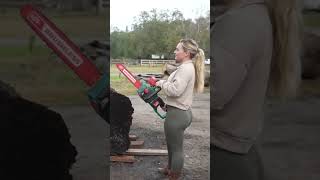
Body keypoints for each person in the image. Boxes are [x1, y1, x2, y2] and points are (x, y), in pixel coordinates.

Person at [211, 0, 302, 179]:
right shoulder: (254, 17)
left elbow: (213, 93)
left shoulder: (239, 23)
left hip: (222, 157)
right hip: (236, 151)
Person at [155, 39, 205, 179]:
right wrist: (168, 104)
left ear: (187, 53)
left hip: (177, 115)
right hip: (179, 111)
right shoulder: (186, 67)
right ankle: (170, 168)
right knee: (172, 145)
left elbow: (175, 90)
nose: (175, 52)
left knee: (176, 149)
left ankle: (174, 176)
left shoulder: (185, 69)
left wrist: (160, 82)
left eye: (177, 49)